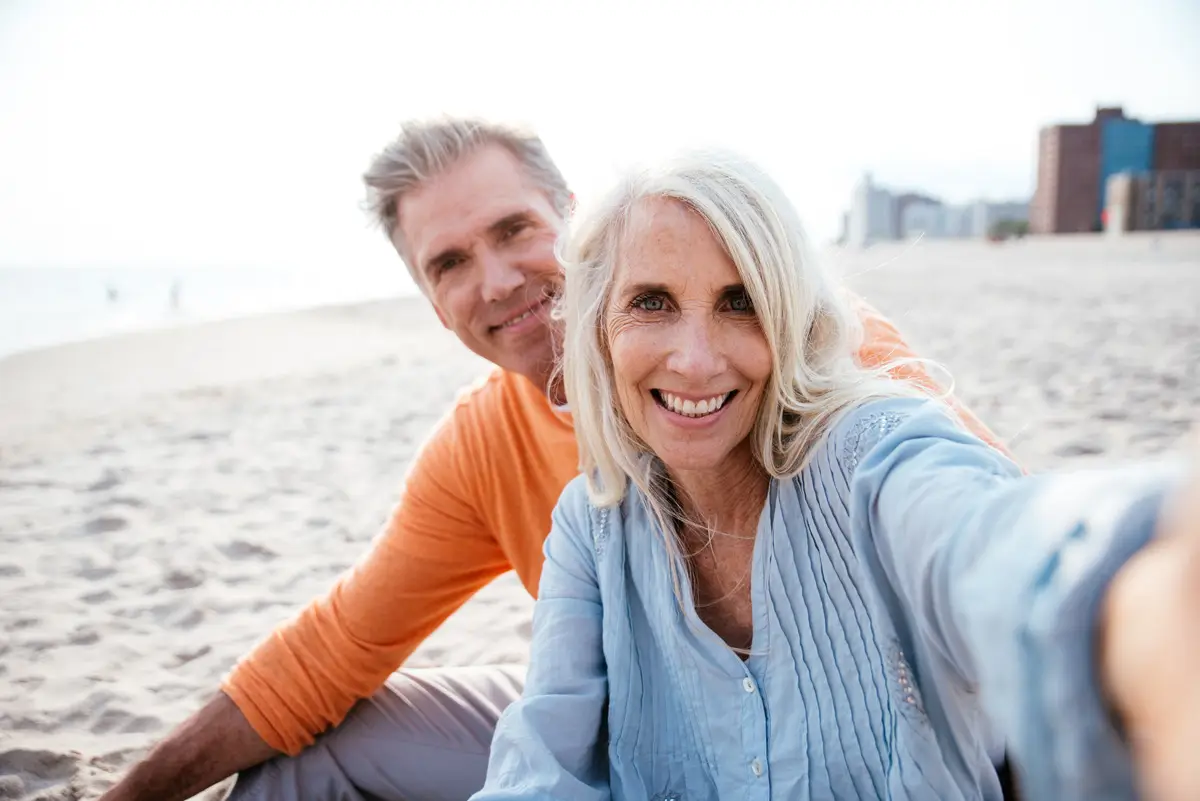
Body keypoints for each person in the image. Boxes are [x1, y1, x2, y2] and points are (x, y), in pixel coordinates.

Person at [98, 120, 1010, 801]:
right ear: (429, 299)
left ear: (575, 224)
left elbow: (981, 530)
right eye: (449, 262)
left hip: (852, 723)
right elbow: (341, 646)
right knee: (305, 760)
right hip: (628, 710)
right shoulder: (502, 457)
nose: (494, 281)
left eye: (511, 231)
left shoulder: (801, 351)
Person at [469, 152, 1198, 801]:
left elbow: (989, 538)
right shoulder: (591, 522)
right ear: (600, 326)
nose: (695, 359)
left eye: (741, 302)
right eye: (651, 302)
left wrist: (1137, 590)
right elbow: (543, 761)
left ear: (790, 321)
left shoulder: (869, 453)